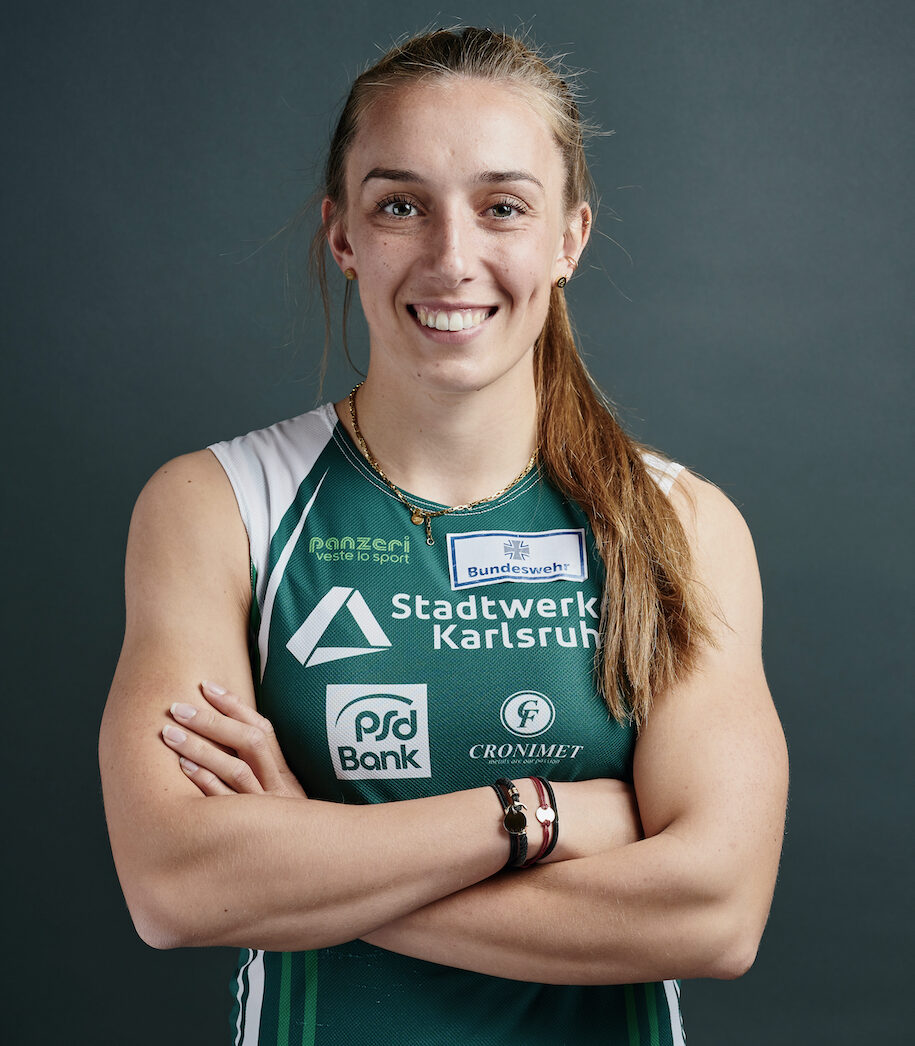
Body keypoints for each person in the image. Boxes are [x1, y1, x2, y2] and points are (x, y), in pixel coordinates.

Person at [99, 26, 788, 1046]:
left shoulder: (679, 525)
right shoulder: (216, 505)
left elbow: (715, 913)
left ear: (569, 238)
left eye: (502, 207)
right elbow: (177, 885)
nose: (452, 258)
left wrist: (309, 853)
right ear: (343, 235)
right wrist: (535, 812)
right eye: (400, 205)